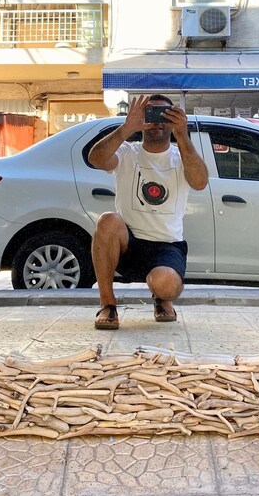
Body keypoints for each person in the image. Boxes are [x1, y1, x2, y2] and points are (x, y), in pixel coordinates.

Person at [88, 94, 208, 330]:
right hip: (128, 243)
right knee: (108, 220)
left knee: (166, 284)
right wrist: (126, 128)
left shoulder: (181, 156)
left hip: (167, 246)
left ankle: (162, 298)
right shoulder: (127, 152)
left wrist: (182, 135)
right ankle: (107, 304)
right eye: (151, 114)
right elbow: (96, 159)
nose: (157, 122)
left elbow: (200, 182)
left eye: (165, 116)